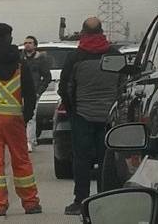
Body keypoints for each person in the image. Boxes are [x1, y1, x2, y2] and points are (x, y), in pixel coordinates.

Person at [0, 23, 42, 216]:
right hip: (15, 120)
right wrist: (25, 116)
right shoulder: (21, 65)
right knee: (21, 161)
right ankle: (31, 203)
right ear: (11, 38)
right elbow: (30, 94)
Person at [58, 17, 122, 215]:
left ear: (83, 33)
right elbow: (124, 85)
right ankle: (106, 201)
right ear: (102, 32)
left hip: (82, 116)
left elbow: (64, 88)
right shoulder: (114, 54)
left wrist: (72, 111)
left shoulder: (75, 57)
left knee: (82, 159)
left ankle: (81, 201)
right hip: (108, 117)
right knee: (107, 159)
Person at [21, 35, 51, 152]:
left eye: (30, 42)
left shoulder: (40, 60)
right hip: (19, 92)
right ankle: (20, 141)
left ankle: (30, 141)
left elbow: (47, 77)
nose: (27, 44)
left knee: (31, 117)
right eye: (25, 42)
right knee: (19, 118)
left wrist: (39, 91)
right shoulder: (20, 59)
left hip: (33, 93)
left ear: (35, 45)